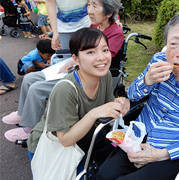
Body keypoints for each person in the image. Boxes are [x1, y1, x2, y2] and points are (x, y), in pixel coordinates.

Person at [95, 9, 179, 180]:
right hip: (140, 134)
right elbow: (133, 95)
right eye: (173, 43)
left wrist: (159, 154)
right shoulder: (158, 60)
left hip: (171, 150)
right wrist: (147, 80)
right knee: (104, 175)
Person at [3, 0, 124, 142]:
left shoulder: (114, 33)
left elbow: (101, 61)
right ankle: (24, 113)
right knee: (30, 78)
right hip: (77, 67)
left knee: (36, 88)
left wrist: (74, 61)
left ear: (108, 13)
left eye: (94, 6)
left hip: (86, 75)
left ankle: (31, 129)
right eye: (88, 5)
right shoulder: (94, 26)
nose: (89, 10)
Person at [26, 27, 130, 176]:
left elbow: (108, 104)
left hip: (81, 144)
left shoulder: (105, 75)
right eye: (90, 52)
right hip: (52, 150)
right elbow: (65, 140)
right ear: (75, 59)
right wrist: (93, 113)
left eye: (105, 50)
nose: (101, 57)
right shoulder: (66, 89)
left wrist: (121, 102)